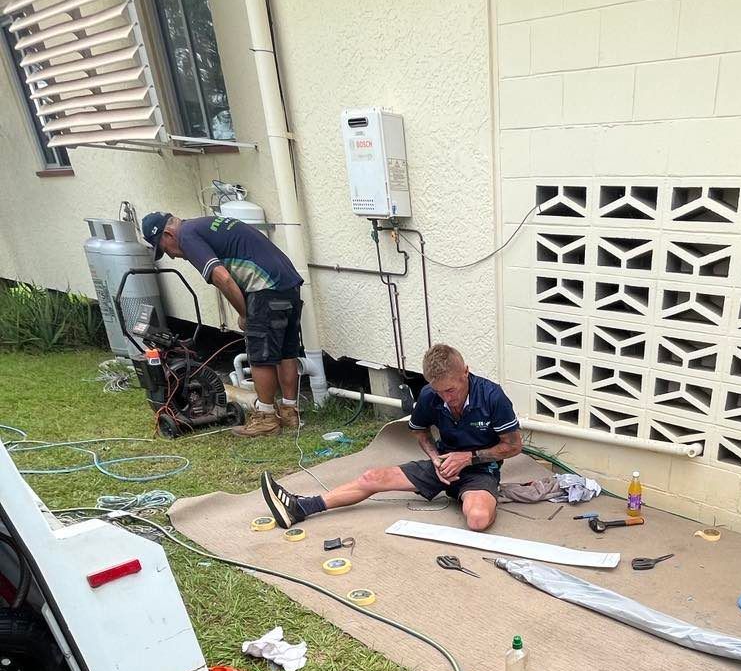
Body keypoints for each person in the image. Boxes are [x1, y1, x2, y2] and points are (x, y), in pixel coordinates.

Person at [260, 343, 522, 533]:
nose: (447, 398)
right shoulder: (431, 395)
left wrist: (469, 457)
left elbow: (513, 446)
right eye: (439, 391)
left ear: (466, 371)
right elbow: (420, 431)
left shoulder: (491, 396)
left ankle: (472, 494)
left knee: (477, 520)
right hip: (442, 465)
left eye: (451, 390)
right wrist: (435, 459)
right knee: (371, 477)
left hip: (479, 469)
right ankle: (301, 507)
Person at [141, 210, 305, 439]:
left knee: (261, 356)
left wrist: (245, 314)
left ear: (168, 234)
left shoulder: (187, 236)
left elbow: (223, 278)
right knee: (287, 352)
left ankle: (266, 418)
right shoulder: (204, 224)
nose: (171, 255)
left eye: (164, 248)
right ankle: (289, 412)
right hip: (289, 285)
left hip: (265, 289)